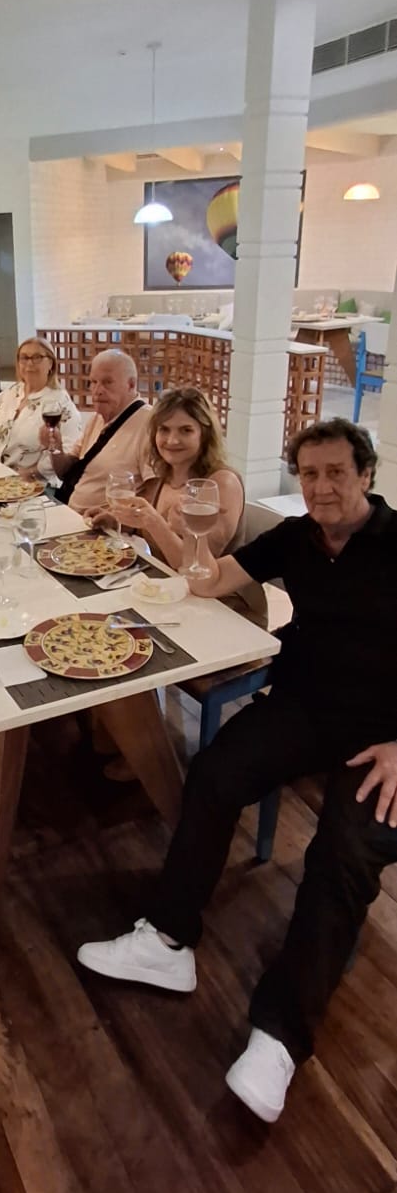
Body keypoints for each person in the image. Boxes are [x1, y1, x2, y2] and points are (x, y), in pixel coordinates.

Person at [77, 418, 397, 1124]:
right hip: (306, 707)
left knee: (342, 852)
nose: (320, 487)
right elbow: (213, 579)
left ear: (366, 474)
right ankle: (167, 939)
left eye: (336, 472)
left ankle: (279, 1037)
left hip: (383, 739)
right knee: (215, 772)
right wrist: (183, 534)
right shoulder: (297, 537)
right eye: (308, 474)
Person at [99, 385, 266, 625]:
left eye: (186, 430)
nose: (172, 440)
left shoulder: (220, 483)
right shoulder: (163, 477)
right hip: (170, 597)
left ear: (204, 435)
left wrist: (154, 522)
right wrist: (115, 519)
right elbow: (145, 530)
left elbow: (195, 569)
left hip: (224, 607)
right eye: (164, 429)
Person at [39, 348, 154, 512]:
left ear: (131, 384)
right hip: (70, 512)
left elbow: (153, 493)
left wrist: (115, 519)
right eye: (93, 382)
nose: (97, 390)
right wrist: (55, 448)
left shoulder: (149, 424)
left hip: (101, 523)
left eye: (107, 382)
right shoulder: (96, 419)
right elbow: (66, 473)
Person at [0, 337, 82, 470]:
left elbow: (69, 455)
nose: (29, 363)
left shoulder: (60, 404)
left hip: (30, 479)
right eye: (24, 358)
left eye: (37, 357)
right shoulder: (8, 394)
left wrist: (34, 472)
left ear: (51, 364)